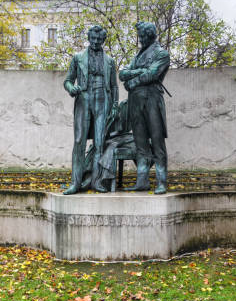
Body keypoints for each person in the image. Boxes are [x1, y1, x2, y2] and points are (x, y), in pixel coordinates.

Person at [63, 25, 118, 194]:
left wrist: (115, 105)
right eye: (92, 38)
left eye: (99, 39)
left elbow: (114, 86)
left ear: (103, 40)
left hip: (103, 99)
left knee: (99, 143)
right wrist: (71, 88)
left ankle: (97, 181)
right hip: (84, 98)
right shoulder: (78, 57)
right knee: (79, 141)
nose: (95, 42)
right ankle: (75, 183)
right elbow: (68, 80)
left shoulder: (109, 61)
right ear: (89, 38)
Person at [119, 21, 170, 194]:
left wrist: (132, 81)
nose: (140, 40)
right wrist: (138, 72)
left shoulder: (162, 54)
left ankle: (161, 182)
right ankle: (142, 181)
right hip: (135, 102)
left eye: (142, 36)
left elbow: (152, 74)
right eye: (139, 36)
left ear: (150, 35)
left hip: (152, 100)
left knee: (157, 142)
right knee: (140, 143)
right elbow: (122, 73)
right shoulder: (137, 56)